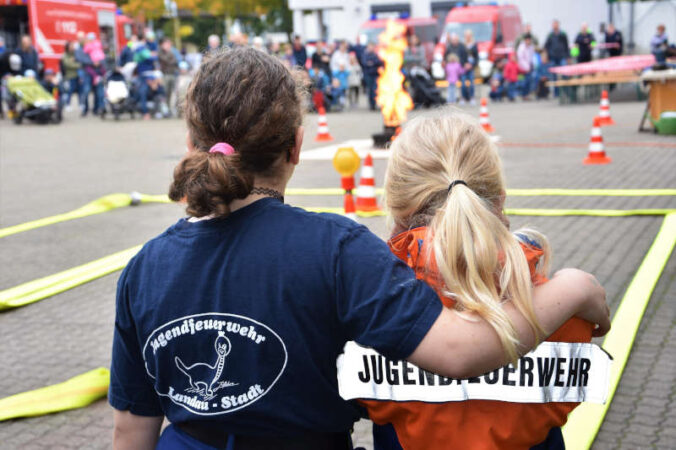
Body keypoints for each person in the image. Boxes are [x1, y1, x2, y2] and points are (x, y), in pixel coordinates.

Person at [109, 47, 609, 449]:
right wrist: (573, 287)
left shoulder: (143, 269)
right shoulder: (336, 250)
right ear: (297, 147)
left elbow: (131, 431)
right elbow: (461, 351)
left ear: (192, 145)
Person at [357, 112, 599, 450]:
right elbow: (568, 395)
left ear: (396, 209)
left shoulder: (367, 310)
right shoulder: (562, 309)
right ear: (499, 200)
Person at [544, 20, 570, 97]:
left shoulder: (563, 34)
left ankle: (566, 92)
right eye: (553, 24)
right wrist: (547, 56)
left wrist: (568, 57)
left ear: (558, 25)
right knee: (554, 76)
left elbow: (566, 46)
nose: (555, 26)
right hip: (553, 58)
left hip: (562, 57)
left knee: (565, 74)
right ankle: (556, 93)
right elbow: (546, 46)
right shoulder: (550, 35)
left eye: (556, 24)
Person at [158, 37, 179, 116]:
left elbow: (176, 61)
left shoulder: (172, 51)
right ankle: (165, 110)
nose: (168, 45)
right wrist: (170, 56)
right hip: (165, 75)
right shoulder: (160, 52)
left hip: (173, 74)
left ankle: (172, 110)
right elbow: (165, 59)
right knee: (165, 93)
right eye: (166, 44)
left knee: (173, 93)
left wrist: (170, 59)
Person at [362, 43, 382, 111]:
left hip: (375, 74)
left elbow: (379, 62)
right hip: (368, 75)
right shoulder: (365, 54)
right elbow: (364, 63)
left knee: (375, 90)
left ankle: (374, 103)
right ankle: (371, 104)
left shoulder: (376, 54)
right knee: (370, 90)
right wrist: (372, 63)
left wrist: (371, 63)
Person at [60, 41, 80, 111]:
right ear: (68, 47)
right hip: (70, 76)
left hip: (77, 75)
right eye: (71, 46)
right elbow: (68, 64)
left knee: (79, 91)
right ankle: (67, 104)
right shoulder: (65, 55)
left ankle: (81, 104)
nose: (73, 47)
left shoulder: (76, 53)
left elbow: (80, 60)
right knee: (69, 91)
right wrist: (78, 65)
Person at [516, 34, 535, 99]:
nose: (528, 41)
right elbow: (521, 58)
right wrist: (526, 67)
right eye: (527, 40)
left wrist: (531, 66)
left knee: (529, 81)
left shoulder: (531, 47)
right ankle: (523, 94)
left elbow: (531, 57)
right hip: (523, 68)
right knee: (524, 81)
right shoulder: (521, 47)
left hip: (529, 66)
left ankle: (527, 94)